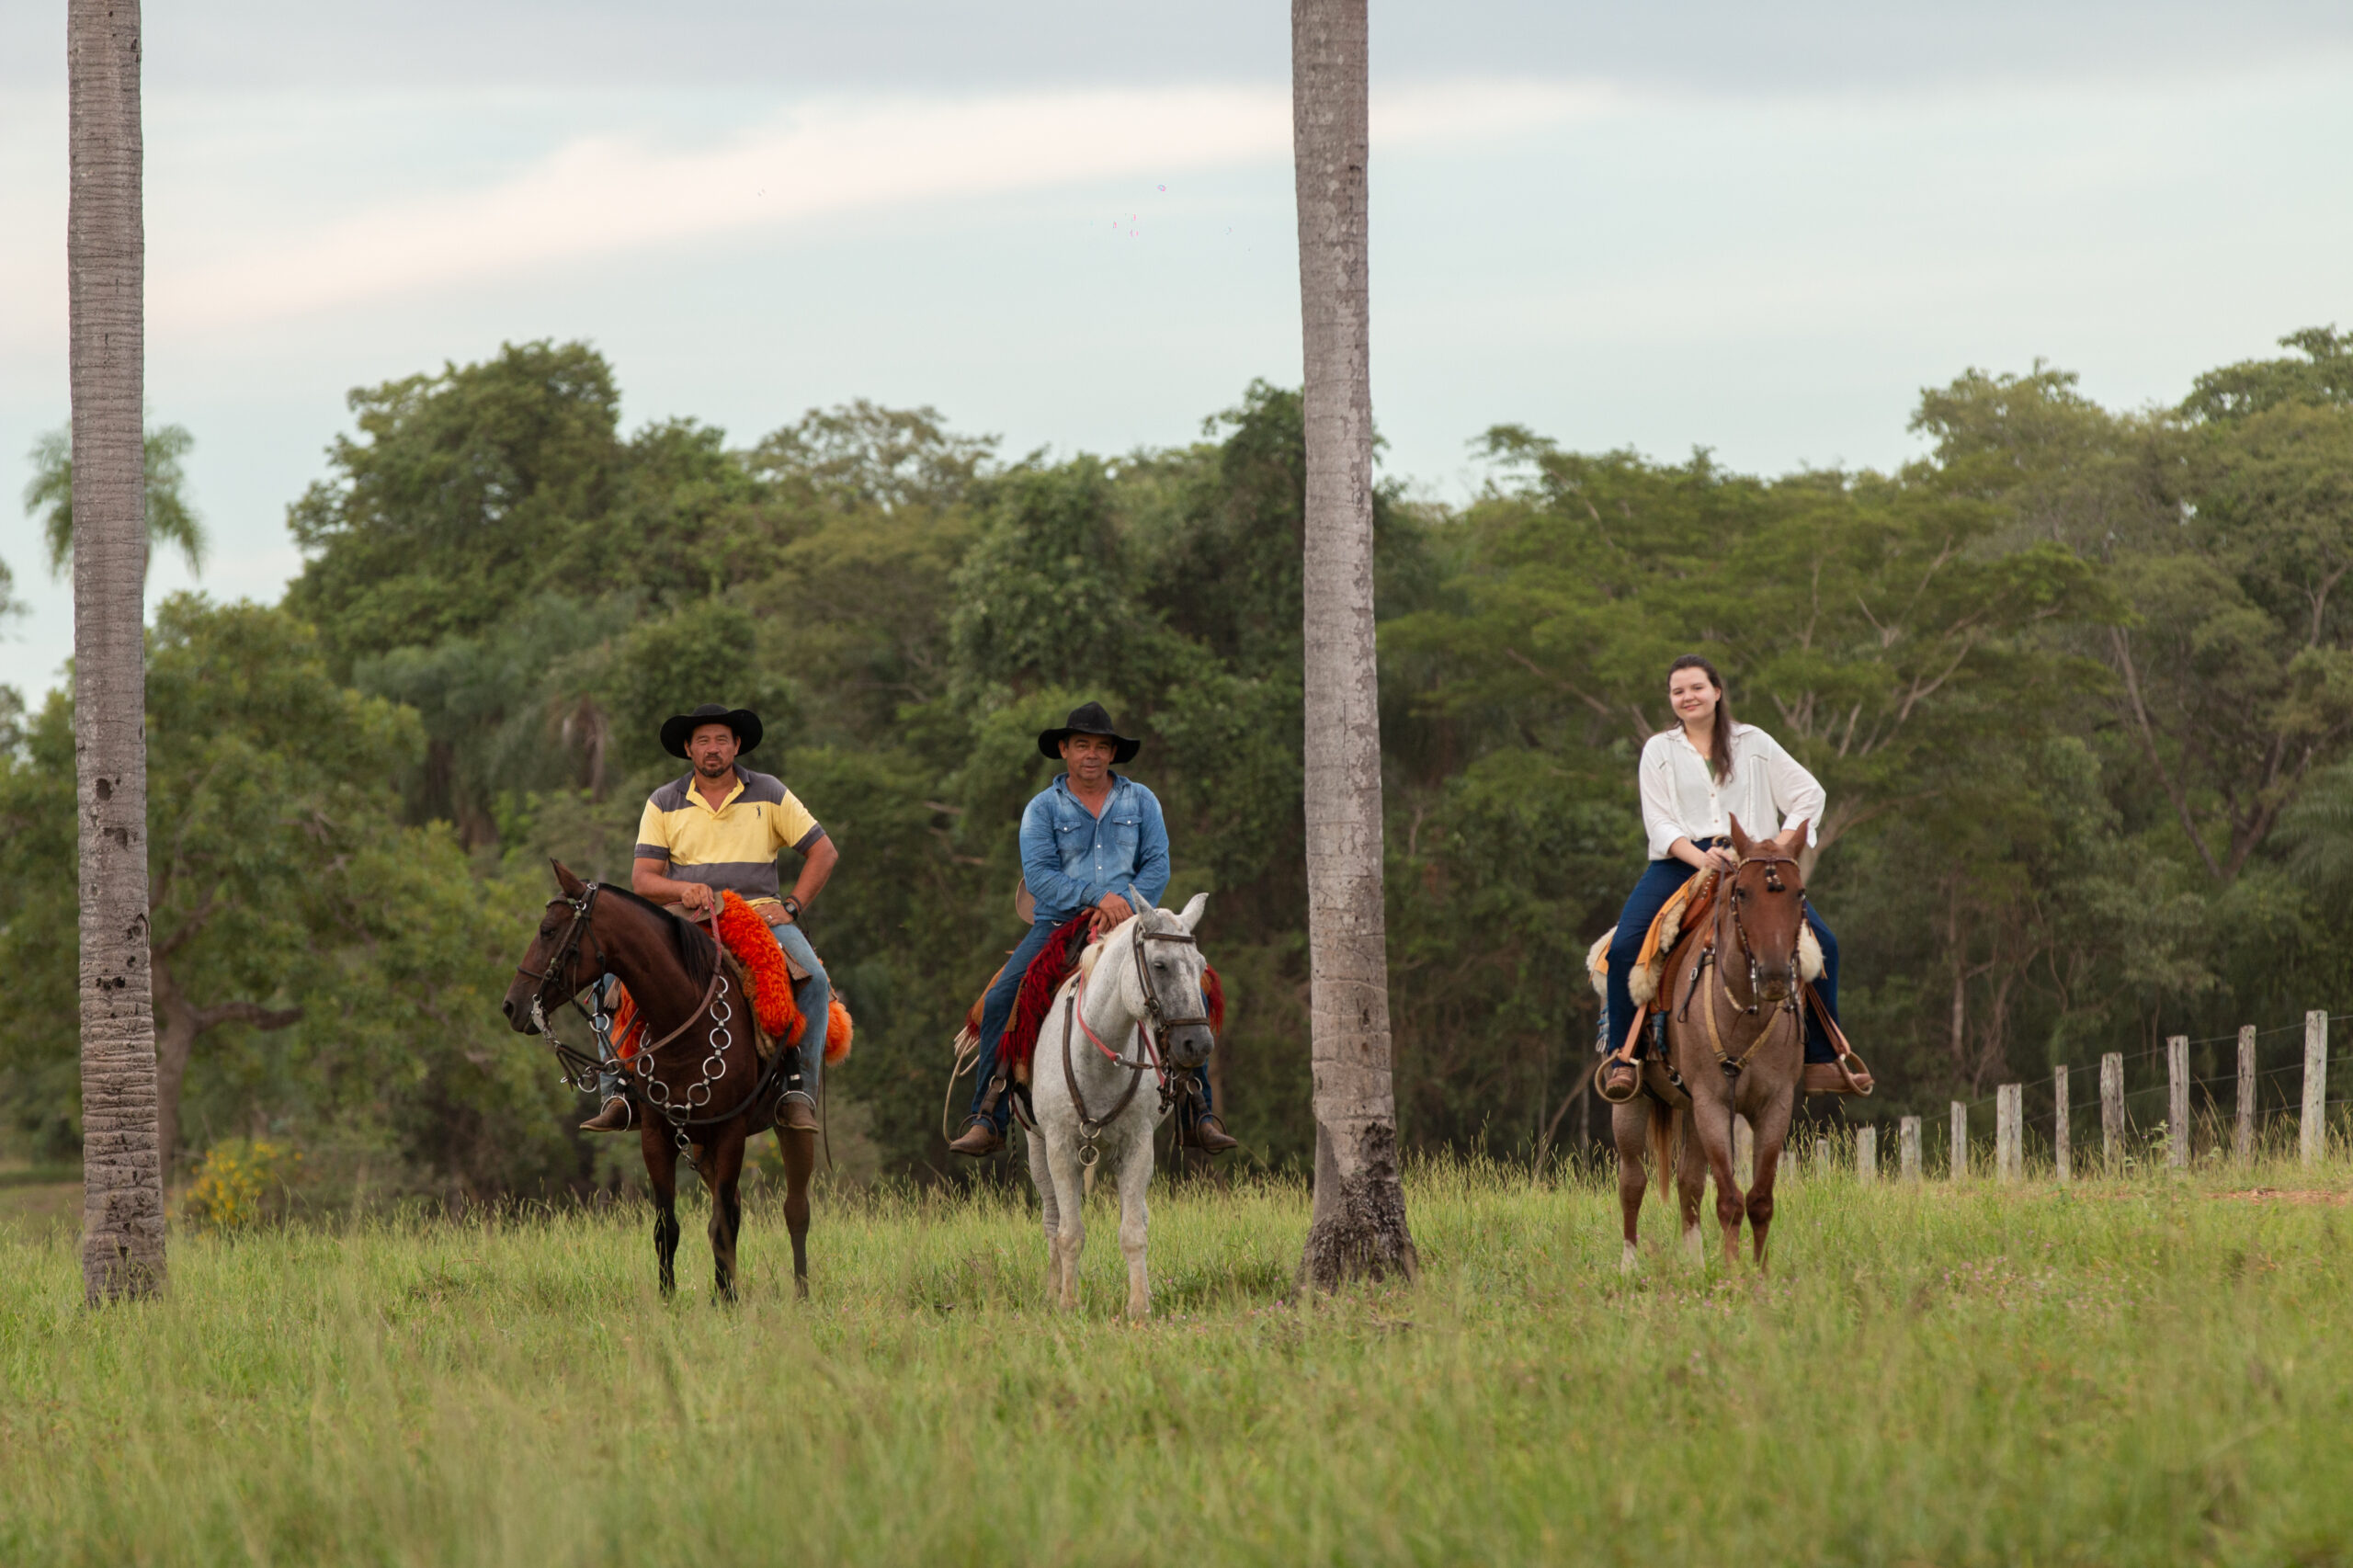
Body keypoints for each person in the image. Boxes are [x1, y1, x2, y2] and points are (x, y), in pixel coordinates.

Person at [947, 701, 1236, 1157]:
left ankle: (1197, 1112)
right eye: (1082, 745)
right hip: (1060, 923)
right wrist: (1095, 898)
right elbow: (1039, 875)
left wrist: (1123, 903)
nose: (1092, 755)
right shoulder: (1042, 809)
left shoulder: (1141, 800)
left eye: (1102, 747)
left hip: (1134, 921)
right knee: (1004, 997)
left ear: (1113, 753)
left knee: (1189, 989)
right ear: (1064, 749)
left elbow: (1158, 862)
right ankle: (989, 1113)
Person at [579, 702, 838, 1134]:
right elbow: (643, 879)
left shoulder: (770, 792)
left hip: (758, 917)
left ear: (737, 746)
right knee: (606, 983)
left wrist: (792, 906)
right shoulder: (663, 801)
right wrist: (683, 889)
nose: (713, 749)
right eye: (703, 741)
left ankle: (798, 1090)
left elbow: (823, 851)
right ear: (688, 749)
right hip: (684, 919)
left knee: (814, 979)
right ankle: (619, 1091)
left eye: (721, 739)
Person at [1599, 655, 1847, 1100]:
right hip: (1679, 862)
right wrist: (1699, 859)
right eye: (1678, 691)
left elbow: (1809, 794)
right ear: (1671, 700)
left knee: (1824, 944)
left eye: (1696, 688)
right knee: (1624, 947)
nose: (1687, 697)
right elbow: (1658, 822)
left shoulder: (1754, 742)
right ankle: (1625, 1057)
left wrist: (1783, 845)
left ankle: (1821, 1057)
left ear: (1717, 691)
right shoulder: (1659, 750)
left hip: (1755, 864)